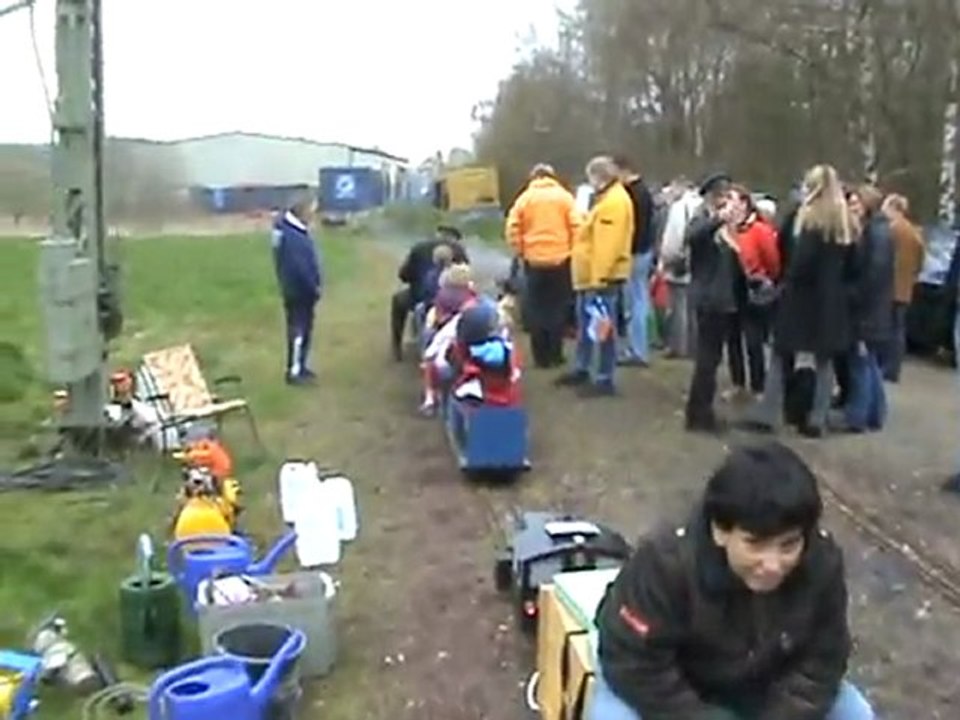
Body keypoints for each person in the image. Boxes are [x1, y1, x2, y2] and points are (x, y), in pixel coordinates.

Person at [591, 441, 875, 720]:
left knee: (855, 712)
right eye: (755, 544)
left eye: (788, 545)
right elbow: (634, 663)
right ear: (720, 532)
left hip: (762, 684)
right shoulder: (664, 562)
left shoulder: (821, 562)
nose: (773, 565)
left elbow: (823, 660)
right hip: (668, 689)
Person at [742, 165, 859, 438]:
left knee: (782, 354)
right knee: (824, 361)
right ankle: (818, 417)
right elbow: (855, 266)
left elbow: (792, 257)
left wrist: (786, 280)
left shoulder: (803, 219)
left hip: (800, 297)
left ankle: (769, 412)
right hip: (833, 302)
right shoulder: (846, 224)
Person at [555, 156, 634, 397]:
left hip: (601, 279)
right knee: (588, 327)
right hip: (590, 277)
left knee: (603, 330)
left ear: (599, 177)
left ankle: (604, 378)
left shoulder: (614, 203)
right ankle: (583, 368)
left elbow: (607, 246)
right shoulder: (607, 200)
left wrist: (598, 279)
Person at [505, 164, 581, 368]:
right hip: (561, 259)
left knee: (536, 308)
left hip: (534, 260)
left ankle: (541, 356)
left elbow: (513, 227)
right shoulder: (565, 198)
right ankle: (556, 354)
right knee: (557, 307)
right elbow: (577, 226)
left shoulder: (524, 199)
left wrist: (520, 250)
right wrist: (573, 251)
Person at [683, 177, 740, 432]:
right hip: (709, 298)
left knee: (711, 359)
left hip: (720, 297)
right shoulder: (703, 220)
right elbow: (693, 236)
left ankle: (700, 411)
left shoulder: (725, 228)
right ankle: (700, 415)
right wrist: (720, 219)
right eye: (722, 195)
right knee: (707, 359)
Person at [839, 185, 894, 433]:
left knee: (861, 362)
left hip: (868, 311)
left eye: (856, 203)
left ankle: (858, 416)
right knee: (869, 362)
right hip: (876, 310)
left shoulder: (875, 235)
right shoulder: (879, 231)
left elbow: (872, 276)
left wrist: (853, 295)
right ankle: (874, 413)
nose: (852, 208)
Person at [726, 186, 781, 400]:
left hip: (753, 290)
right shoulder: (727, 229)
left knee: (753, 341)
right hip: (730, 289)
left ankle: (758, 385)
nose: (727, 203)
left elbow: (773, 261)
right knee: (732, 340)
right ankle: (737, 382)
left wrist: (764, 278)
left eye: (732, 199)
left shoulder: (758, 229)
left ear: (744, 203)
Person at [390, 226, 468, 360]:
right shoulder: (458, 250)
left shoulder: (419, 247)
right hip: (455, 301)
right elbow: (466, 275)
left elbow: (403, 275)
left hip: (421, 297)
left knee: (398, 300)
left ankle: (397, 347)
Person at [612, 155, 657, 368]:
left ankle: (637, 350)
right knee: (640, 299)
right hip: (645, 250)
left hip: (634, 252)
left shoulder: (632, 194)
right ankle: (639, 347)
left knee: (634, 303)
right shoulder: (644, 192)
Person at [274, 194, 322, 385]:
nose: (314, 213)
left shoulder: (291, 230)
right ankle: (294, 371)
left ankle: (300, 365)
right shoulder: (292, 236)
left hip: (300, 289)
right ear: (302, 210)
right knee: (299, 331)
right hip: (299, 290)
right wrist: (313, 287)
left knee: (304, 329)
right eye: (312, 209)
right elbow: (299, 267)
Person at [882, 193, 924, 382]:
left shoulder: (891, 230)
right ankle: (894, 367)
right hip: (906, 286)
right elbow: (921, 261)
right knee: (899, 329)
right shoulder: (915, 233)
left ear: (894, 208)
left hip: (889, 285)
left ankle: (886, 366)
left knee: (887, 328)